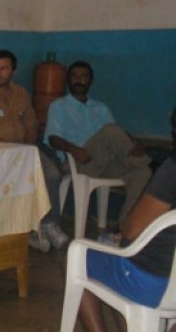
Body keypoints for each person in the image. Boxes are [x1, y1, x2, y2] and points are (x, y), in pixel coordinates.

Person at [77, 107, 176, 332]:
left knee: (82, 257)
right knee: (115, 253)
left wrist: (128, 234)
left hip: (156, 283)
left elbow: (132, 228)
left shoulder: (172, 171)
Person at [0, 49, 68, 251]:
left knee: (53, 174)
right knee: (22, 177)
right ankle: (33, 228)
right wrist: (12, 152)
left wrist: (27, 148)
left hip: (25, 150)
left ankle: (48, 224)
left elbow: (31, 125)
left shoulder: (21, 93)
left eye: (4, 68)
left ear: (13, 71)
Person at [44, 61, 151, 231]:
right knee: (110, 131)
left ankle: (125, 229)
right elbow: (52, 138)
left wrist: (134, 143)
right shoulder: (59, 106)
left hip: (105, 161)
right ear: (68, 80)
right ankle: (148, 162)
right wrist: (73, 149)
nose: (79, 80)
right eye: (74, 76)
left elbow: (118, 136)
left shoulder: (101, 108)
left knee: (142, 173)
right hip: (79, 161)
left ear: (91, 80)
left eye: (83, 76)